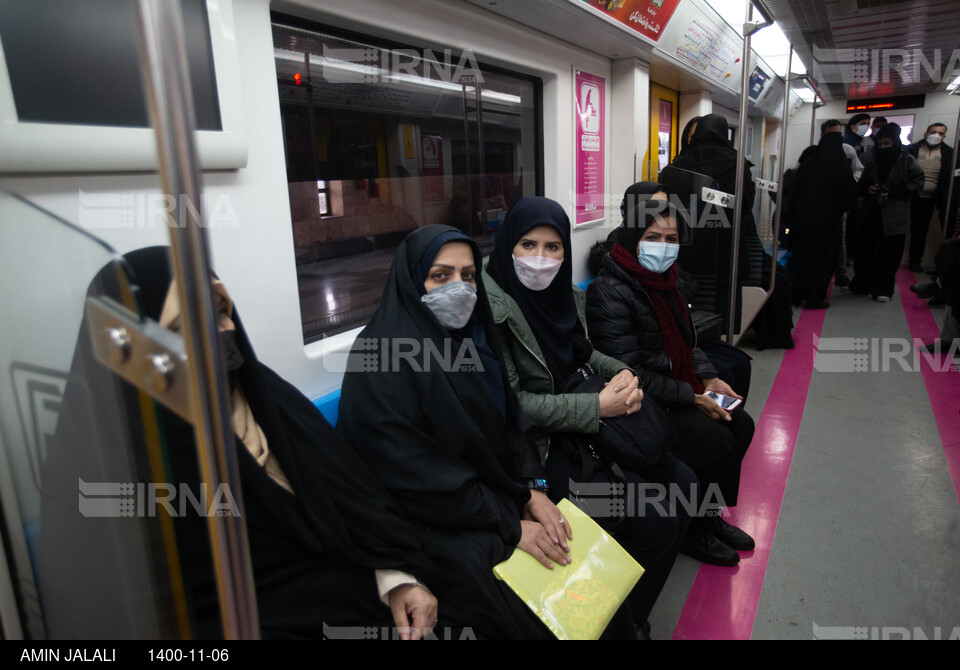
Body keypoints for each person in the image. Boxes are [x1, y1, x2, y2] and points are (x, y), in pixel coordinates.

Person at [40, 246, 438, 640]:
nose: (214, 333)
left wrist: (397, 578)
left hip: (364, 605)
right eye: (183, 326)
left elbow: (358, 504)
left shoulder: (270, 402)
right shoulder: (115, 472)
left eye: (219, 312)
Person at [337, 225, 597, 640]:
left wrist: (533, 488)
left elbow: (514, 421)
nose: (458, 288)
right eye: (440, 276)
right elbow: (418, 477)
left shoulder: (475, 339)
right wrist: (509, 522)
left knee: (577, 555)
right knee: (525, 613)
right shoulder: (381, 358)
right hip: (423, 521)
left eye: (468, 275)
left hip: (492, 495)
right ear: (412, 278)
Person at [481, 196, 696, 631]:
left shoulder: (565, 295)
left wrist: (624, 376)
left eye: (553, 247)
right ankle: (619, 622)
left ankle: (634, 612)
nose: (541, 259)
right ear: (508, 247)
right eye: (528, 245)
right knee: (652, 518)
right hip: (543, 446)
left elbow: (585, 352)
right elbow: (515, 404)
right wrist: (597, 406)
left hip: (588, 417)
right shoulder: (493, 311)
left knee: (686, 485)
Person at [586, 193, 756, 567]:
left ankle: (707, 516)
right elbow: (627, 372)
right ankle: (692, 531)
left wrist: (708, 378)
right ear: (632, 236)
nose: (663, 247)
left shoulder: (669, 281)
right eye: (653, 237)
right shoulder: (609, 292)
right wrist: (692, 397)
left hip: (676, 387)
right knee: (716, 440)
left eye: (671, 239)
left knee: (741, 424)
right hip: (642, 400)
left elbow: (685, 340)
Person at [849, 123, 925, 302]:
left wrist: (896, 191)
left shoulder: (906, 160)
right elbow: (859, 183)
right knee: (864, 251)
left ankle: (883, 288)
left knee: (889, 254)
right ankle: (861, 284)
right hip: (870, 212)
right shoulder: (870, 159)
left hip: (895, 213)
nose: (883, 148)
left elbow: (918, 181)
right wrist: (868, 190)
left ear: (895, 143)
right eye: (880, 144)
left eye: (887, 144)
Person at [787, 122, 858, 308]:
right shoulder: (841, 167)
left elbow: (795, 193)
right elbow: (849, 197)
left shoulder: (810, 164)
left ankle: (797, 294)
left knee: (803, 258)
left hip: (804, 221)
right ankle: (814, 298)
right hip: (828, 223)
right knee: (823, 262)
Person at [906, 123, 955, 273]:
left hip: (935, 197)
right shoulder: (912, 149)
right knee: (917, 231)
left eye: (940, 133)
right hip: (912, 196)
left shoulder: (949, 153)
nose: (936, 136)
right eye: (933, 132)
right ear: (925, 134)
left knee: (946, 231)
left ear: (944, 136)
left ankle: (943, 266)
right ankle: (914, 261)